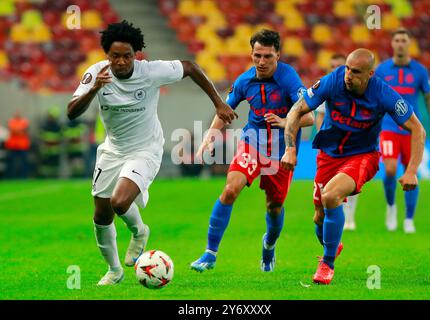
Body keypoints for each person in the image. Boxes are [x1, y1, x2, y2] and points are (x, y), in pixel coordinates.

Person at [67, 20, 237, 286]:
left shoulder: (150, 71)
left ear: (137, 55)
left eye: (127, 56)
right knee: (101, 216)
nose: (121, 62)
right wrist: (94, 89)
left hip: (145, 149)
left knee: (120, 202)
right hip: (112, 150)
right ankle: (114, 270)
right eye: (115, 56)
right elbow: (71, 112)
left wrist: (219, 104)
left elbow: (191, 67)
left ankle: (139, 231)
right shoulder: (96, 74)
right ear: (106, 55)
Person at [281, 48, 425, 285]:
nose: (348, 75)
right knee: (318, 218)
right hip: (328, 156)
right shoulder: (333, 81)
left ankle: (327, 265)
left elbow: (417, 128)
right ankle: (332, 245)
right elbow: (297, 110)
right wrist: (290, 148)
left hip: (362, 157)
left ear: (370, 73)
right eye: (347, 68)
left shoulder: (383, 93)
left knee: (331, 196)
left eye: (356, 72)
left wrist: (411, 171)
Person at [190, 29, 314, 273]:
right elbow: (224, 109)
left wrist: (285, 121)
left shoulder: (289, 78)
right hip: (252, 141)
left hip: (281, 150)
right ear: (251, 54)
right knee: (230, 190)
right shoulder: (245, 80)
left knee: (274, 206)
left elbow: (308, 117)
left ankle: (269, 245)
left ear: (278, 55)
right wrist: (209, 138)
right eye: (257, 55)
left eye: (268, 56)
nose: (261, 61)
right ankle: (210, 253)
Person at [375, 28, 430, 233]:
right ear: (392, 44)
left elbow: (429, 99)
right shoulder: (382, 70)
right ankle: (391, 206)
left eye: (404, 40)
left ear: (409, 43)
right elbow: (373, 98)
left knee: (412, 173)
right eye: (397, 40)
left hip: (413, 130)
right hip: (388, 127)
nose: (400, 43)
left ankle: (409, 219)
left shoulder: (420, 71)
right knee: (391, 170)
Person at [315, 53, 358, 231]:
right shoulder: (326, 85)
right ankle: (333, 214)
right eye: (332, 66)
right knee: (328, 184)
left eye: (340, 66)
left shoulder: (357, 88)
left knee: (352, 181)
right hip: (331, 145)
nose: (336, 69)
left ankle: (349, 216)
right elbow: (320, 115)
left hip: (352, 142)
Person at [4, 111, 31, 179]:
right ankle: (11, 176)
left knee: (23, 162)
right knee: (11, 162)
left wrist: (17, 131)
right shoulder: (11, 121)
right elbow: (12, 131)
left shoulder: (24, 121)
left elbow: (24, 131)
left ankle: (24, 176)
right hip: (12, 145)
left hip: (22, 145)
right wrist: (19, 131)